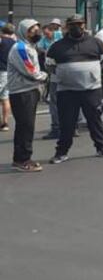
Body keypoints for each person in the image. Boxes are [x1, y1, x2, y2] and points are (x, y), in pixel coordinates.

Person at [47, 15, 103, 163]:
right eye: (73, 24)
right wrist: (66, 75)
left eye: (79, 24)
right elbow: (49, 65)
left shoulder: (96, 43)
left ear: (84, 25)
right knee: (66, 123)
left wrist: (91, 74)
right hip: (67, 91)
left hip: (92, 90)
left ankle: (101, 148)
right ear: (67, 27)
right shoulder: (57, 46)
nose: (77, 27)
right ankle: (61, 152)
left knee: (95, 121)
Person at [7, 19, 48, 171]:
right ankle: (22, 160)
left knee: (25, 126)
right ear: (25, 32)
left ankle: (21, 157)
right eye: (33, 30)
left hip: (29, 90)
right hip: (22, 92)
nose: (37, 32)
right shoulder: (21, 48)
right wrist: (44, 76)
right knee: (26, 126)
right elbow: (30, 71)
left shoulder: (30, 46)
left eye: (38, 29)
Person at [38, 18, 64, 140]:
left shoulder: (56, 42)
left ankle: (56, 128)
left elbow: (49, 64)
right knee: (69, 100)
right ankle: (73, 127)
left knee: (54, 102)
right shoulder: (68, 42)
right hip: (68, 75)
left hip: (56, 75)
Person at [0, 22, 15, 131]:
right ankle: (5, 123)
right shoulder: (15, 43)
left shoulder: (2, 41)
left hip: (1, 71)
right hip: (10, 72)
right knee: (5, 98)